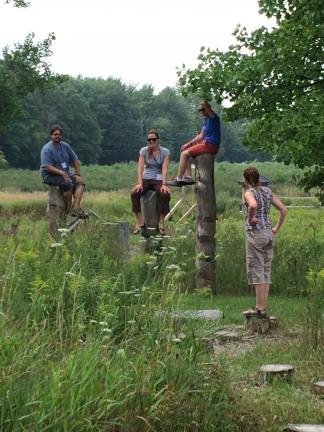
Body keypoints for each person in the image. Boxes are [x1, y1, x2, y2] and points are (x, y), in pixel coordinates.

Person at [242, 167, 288, 317]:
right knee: (266, 270)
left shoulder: (249, 193)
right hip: (269, 233)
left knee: (257, 269)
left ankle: (259, 308)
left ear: (246, 179)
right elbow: (284, 210)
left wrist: (250, 219)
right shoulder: (268, 191)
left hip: (256, 234)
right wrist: (276, 228)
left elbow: (253, 205)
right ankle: (263, 307)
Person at [168, 99, 221, 187]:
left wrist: (203, 100)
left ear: (207, 109)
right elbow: (201, 136)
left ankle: (178, 179)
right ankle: (189, 177)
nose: (201, 112)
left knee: (184, 154)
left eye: (202, 110)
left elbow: (207, 106)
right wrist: (187, 144)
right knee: (185, 151)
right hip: (206, 144)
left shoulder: (213, 117)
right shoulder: (206, 121)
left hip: (211, 145)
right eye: (199, 110)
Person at [131, 129, 171, 235]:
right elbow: (140, 168)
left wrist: (164, 184)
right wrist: (140, 183)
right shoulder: (144, 151)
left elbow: (165, 168)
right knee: (135, 193)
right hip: (147, 178)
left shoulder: (165, 152)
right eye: (149, 140)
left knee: (165, 194)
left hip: (158, 179)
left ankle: (161, 222)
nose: (151, 142)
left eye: (153, 139)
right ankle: (139, 222)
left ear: (158, 140)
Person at [40, 126, 85, 217]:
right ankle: (68, 209)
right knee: (68, 184)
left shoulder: (65, 146)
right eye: (55, 134)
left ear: (62, 136)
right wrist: (62, 173)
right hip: (50, 176)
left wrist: (78, 174)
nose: (57, 136)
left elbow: (76, 161)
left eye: (59, 134)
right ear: (51, 136)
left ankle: (75, 208)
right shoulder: (47, 149)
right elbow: (47, 167)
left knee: (80, 183)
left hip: (65, 173)